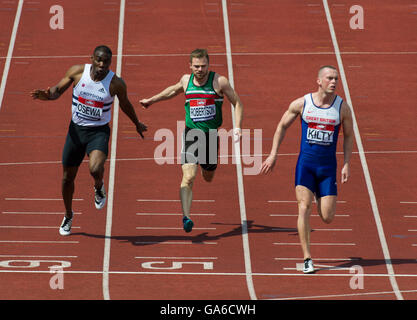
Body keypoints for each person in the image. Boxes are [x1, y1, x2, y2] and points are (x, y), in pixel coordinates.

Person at [31, 45, 147, 236]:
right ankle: (68, 215)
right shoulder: (77, 72)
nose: (102, 65)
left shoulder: (116, 83)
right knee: (67, 178)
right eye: (99, 60)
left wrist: (136, 123)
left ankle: (99, 187)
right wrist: (47, 96)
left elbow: (125, 104)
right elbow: (57, 90)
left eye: (106, 62)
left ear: (111, 62)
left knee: (95, 168)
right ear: (92, 58)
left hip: (98, 133)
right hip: (76, 131)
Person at [261, 65, 354, 273]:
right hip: (306, 166)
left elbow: (348, 135)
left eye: (336, 79)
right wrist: (273, 153)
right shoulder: (303, 104)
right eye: (330, 78)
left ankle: (320, 199)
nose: (334, 82)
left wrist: (347, 162)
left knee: (327, 217)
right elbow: (282, 126)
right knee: (304, 207)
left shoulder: (342, 108)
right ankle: (307, 259)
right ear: (319, 81)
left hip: (327, 169)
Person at [140, 48, 243, 233]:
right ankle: (186, 217)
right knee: (188, 177)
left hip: (211, 137)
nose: (200, 70)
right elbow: (172, 91)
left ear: (208, 65)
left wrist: (237, 127)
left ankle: (206, 168)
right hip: (191, 135)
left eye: (203, 66)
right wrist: (151, 100)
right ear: (190, 66)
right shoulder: (186, 80)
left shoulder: (219, 81)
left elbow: (237, 103)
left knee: (208, 176)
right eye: (196, 66)